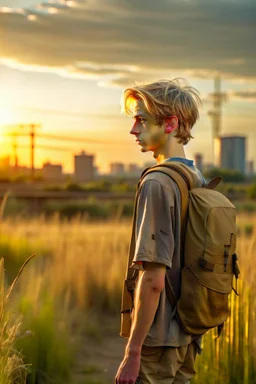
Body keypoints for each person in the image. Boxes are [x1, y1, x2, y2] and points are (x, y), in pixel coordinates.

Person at [115, 78, 205, 384]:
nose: (133, 129)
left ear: (170, 124)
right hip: (188, 334)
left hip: (157, 340)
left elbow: (153, 279)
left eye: (141, 120)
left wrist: (133, 351)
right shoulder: (194, 176)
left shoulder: (157, 183)